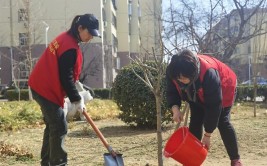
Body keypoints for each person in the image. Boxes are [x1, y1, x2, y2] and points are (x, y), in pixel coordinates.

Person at [28, 13, 101, 166]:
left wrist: (78, 91)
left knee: (53, 124)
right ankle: (58, 163)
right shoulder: (69, 46)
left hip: (41, 84)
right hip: (45, 88)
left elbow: (69, 75)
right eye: (90, 33)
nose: (91, 38)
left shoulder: (67, 39)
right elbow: (65, 78)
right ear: (80, 28)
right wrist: (77, 99)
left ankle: (47, 162)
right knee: (59, 125)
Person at [166, 50, 242, 166]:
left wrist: (208, 134)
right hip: (196, 92)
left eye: (183, 78)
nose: (180, 81)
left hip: (225, 87)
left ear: (193, 73)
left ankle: (235, 160)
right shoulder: (173, 70)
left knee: (222, 122)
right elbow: (171, 90)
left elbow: (214, 105)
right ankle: (192, 160)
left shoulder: (209, 73)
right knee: (196, 120)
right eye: (178, 79)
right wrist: (175, 109)